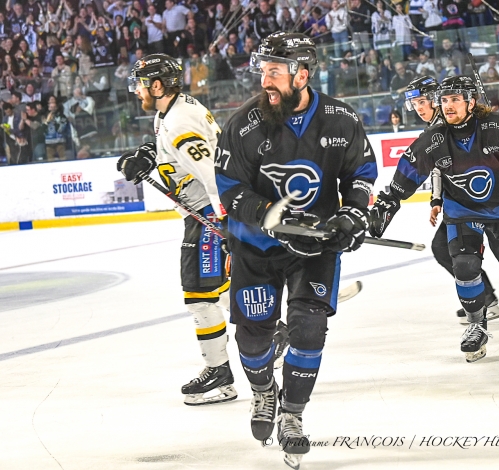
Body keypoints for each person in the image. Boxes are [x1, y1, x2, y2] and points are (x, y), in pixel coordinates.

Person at [213, 32, 377, 468]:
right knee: (253, 336)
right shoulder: (243, 125)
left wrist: (353, 215)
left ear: (302, 74)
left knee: (309, 327)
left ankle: (292, 415)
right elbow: (230, 192)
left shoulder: (341, 119)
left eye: (274, 72)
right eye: (262, 71)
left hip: (316, 247)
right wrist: (275, 217)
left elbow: (360, 174)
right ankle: (265, 391)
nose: (264, 80)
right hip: (254, 247)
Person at [373, 75, 499, 363]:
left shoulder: (498, 128)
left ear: (471, 102)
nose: (447, 106)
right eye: (443, 101)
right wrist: (387, 204)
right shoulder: (432, 138)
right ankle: (476, 324)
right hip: (462, 214)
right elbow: (408, 174)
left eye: (454, 99)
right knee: (465, 266)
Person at [116, 54, 236, 407]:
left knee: (199, 297)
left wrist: (224, 220)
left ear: (157, 86)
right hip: (203, 215)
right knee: (217, 288)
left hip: (206, 217)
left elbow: (213, 173)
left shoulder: (179, 120)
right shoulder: (171, 111)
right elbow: (172, 151)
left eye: (140, 83)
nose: (136, 89)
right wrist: (147, 155)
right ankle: (271, 333)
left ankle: (221, 376)